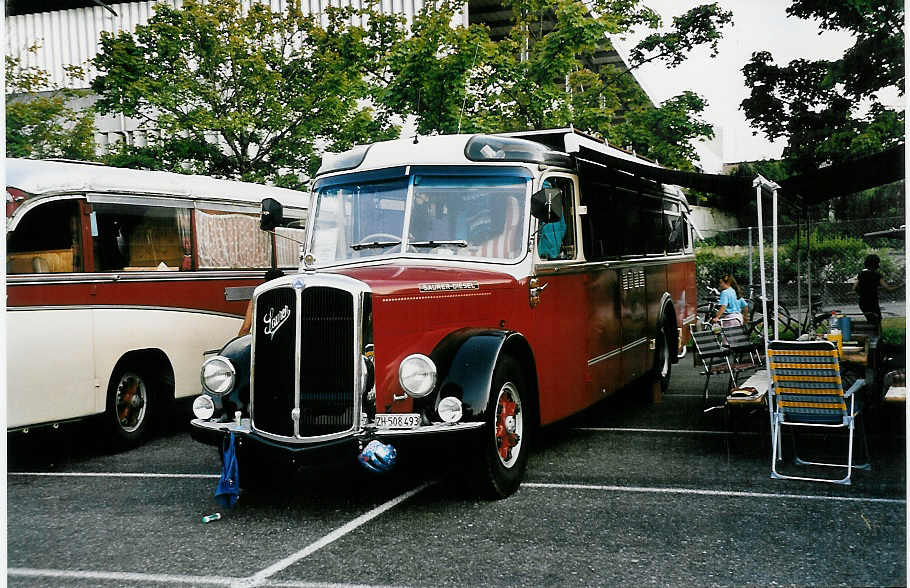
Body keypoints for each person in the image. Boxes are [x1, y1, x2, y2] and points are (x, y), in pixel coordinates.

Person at [854, 253, 899, 336]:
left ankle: (871, 337)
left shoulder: (861, 274)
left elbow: (854, 287)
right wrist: (901, 286)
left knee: (870, 320)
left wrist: (861, 293)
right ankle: (878, 339)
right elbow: (888, 289)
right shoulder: (877, 275)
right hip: (872, 302)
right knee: (877, 322)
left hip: (862, 302)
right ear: (876, 264)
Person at [237, 268, 285, 336]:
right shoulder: (290, 297)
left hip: (262, 340)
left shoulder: (257, 297)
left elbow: (245, 328)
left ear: (266, 282)